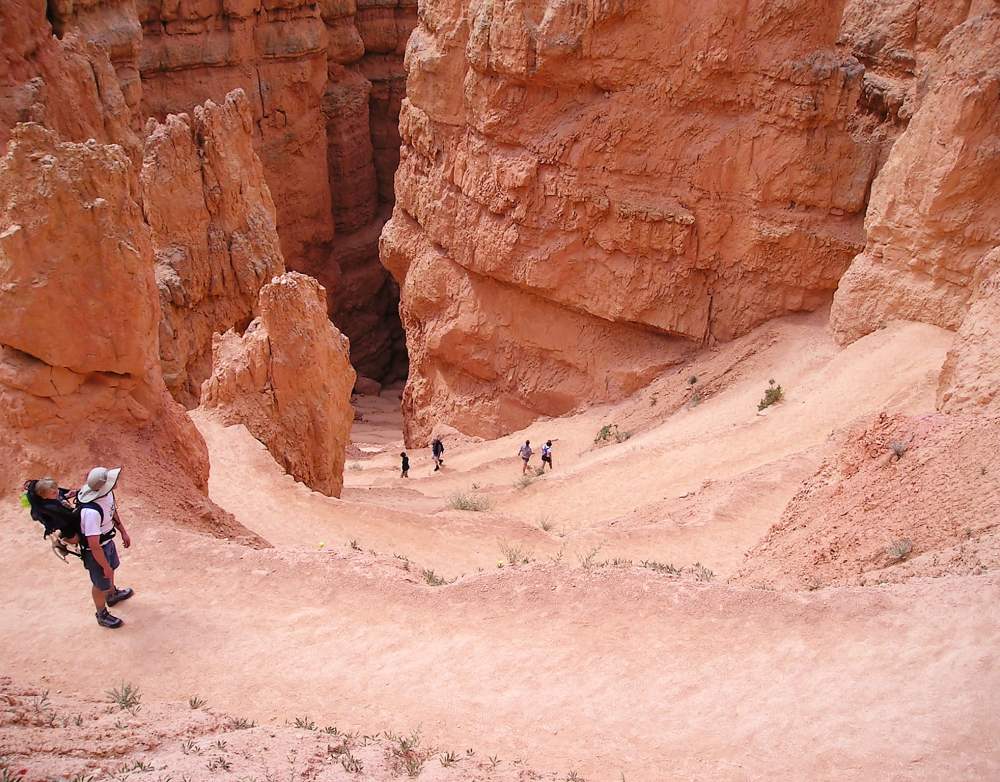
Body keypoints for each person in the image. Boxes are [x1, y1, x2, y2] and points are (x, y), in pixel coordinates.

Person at [77, 466, 133, 629]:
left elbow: (112, 512)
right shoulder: (91, 513)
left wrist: (123, 531)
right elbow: (93, 545)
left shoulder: (107, 494)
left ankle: (112, 595)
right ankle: (101, 613)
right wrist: (104, 565)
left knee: (111, 570)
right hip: (96, 551)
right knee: (99, 583)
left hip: (107, 542)